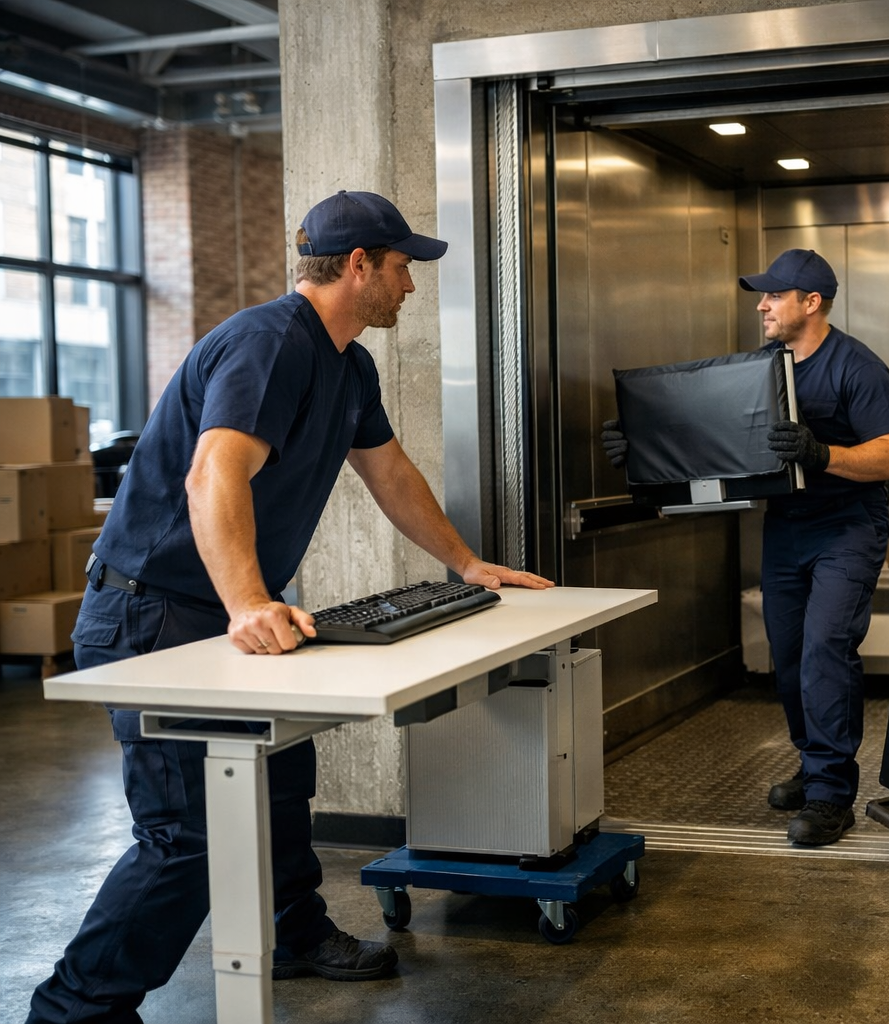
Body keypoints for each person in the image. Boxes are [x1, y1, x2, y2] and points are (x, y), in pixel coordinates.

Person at [28, 190, 554, 1024]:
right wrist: (248, 601)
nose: (410, 285)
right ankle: (72, 1011)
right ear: (358, 265)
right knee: (188, 836)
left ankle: (294, 933)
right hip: (152, 615)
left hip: (224, 607)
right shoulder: (270, 343)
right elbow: (213, 473)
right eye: (401, 267)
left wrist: (464, 563)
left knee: (277, 781)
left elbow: (389, 472)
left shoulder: (349, 364)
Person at [602, 249, 889, 846]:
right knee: (788, 656)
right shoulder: (765, 368)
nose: (761, 305)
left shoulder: (858, 367)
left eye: (773, 295)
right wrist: (643, 449)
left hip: (848, 528)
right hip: (786, 528)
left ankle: (830, 794)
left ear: (811, 302)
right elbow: (717, 442)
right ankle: (812, 764)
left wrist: (822, 454)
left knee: (824, 650)